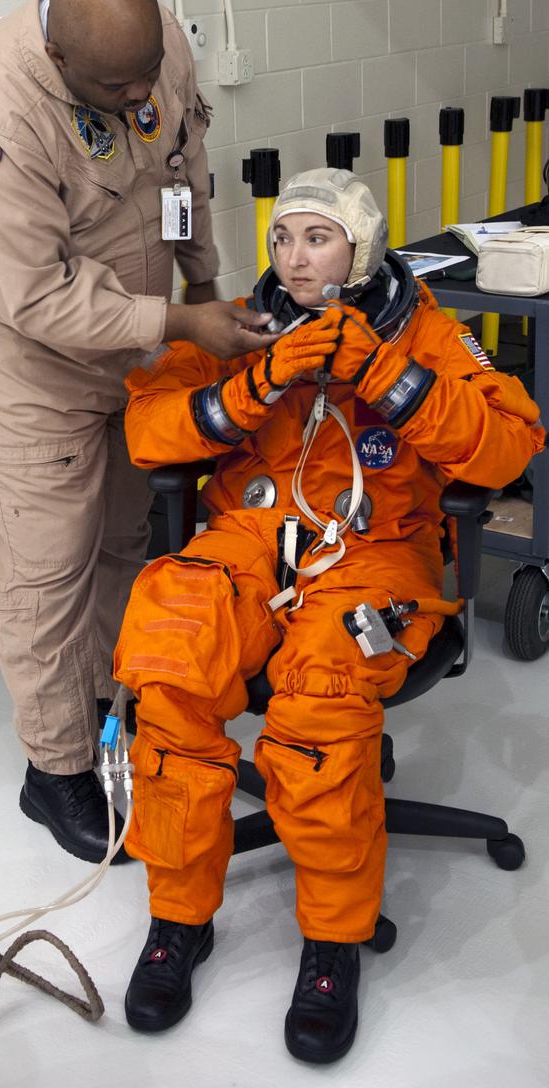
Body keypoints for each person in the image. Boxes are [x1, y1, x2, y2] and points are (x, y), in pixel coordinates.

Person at [113, 168, 544, 1062]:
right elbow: (149, 430)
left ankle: (332, 944)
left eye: (318, 238)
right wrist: (259, 381)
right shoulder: (239, 325)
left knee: (318, 696)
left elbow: (508, 446)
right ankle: (177, 920)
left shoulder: (425, 330)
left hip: (376, 550)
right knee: (167, 671)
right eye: (283, 238)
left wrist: (384, 377)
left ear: (362, 248)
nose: (296, 257)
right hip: (251, 535)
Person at [0, 0, 271, 864]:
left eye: (150, 71)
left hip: (142, 335)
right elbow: (34, 297)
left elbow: (180, 177)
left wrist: (203, 286)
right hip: (28, 362)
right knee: (48, 567)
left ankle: (125, 710)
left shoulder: (148, 54)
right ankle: (58, 770)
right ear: (63, 55)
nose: (141, 90)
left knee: (125, 534)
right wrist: (178, 317)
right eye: (119, 83)